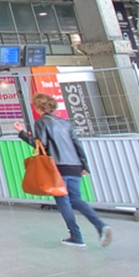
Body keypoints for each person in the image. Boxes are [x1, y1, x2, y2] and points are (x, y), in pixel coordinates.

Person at [14, 94, 112, 248]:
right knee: (76, 199)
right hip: (74, 165)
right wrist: (84, 165)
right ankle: (100, 225)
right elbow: (77, 144)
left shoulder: (41, 122)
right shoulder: (66, 124)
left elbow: (41, 145)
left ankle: (76, 236)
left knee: (63, 201)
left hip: (56, 167)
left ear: (38, 107)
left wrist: (22, 133)